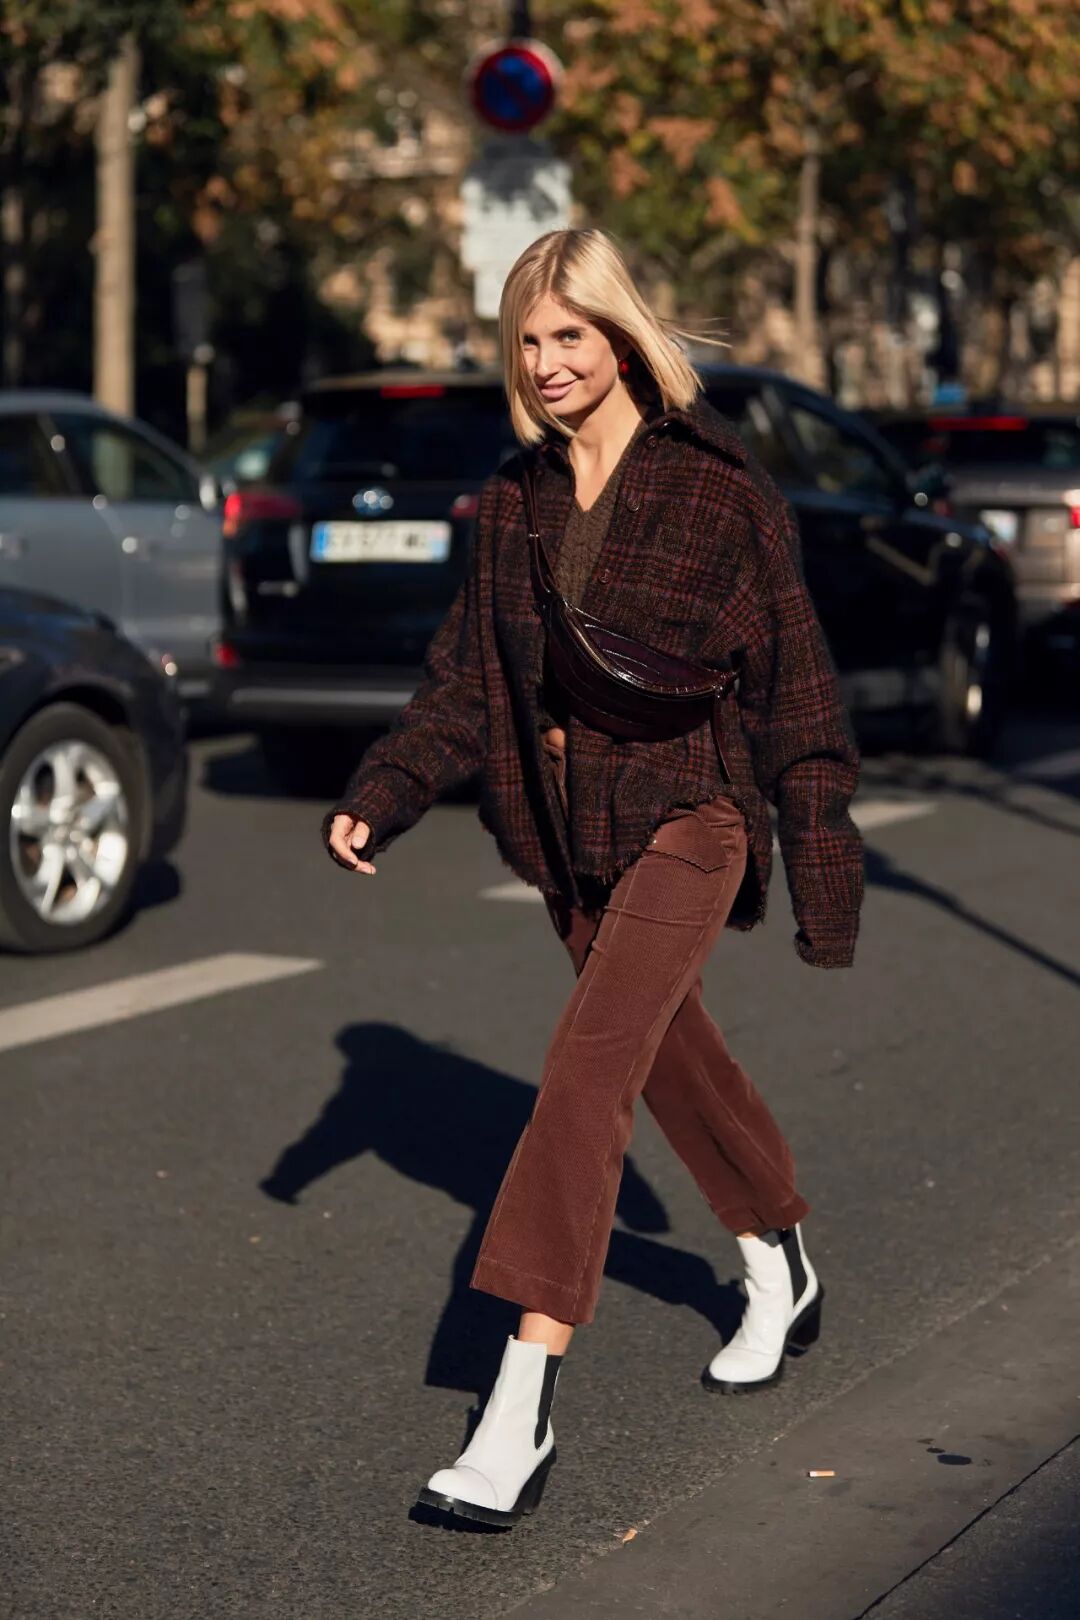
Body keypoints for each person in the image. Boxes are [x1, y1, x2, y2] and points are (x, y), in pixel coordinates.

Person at [322, 228, 864, 1530]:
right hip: (570, 833)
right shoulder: (516, 499)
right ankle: (777, 1254)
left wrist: (822, 877)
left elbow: (797, 694)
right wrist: (382, 794)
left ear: (622, 334)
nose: (548, 362)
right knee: (668, 1056)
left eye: (570, 334)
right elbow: (467, 682)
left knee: (581, 1078)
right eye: (528, 341)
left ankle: (517, 1404)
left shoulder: (719, 494)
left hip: (693, 815)